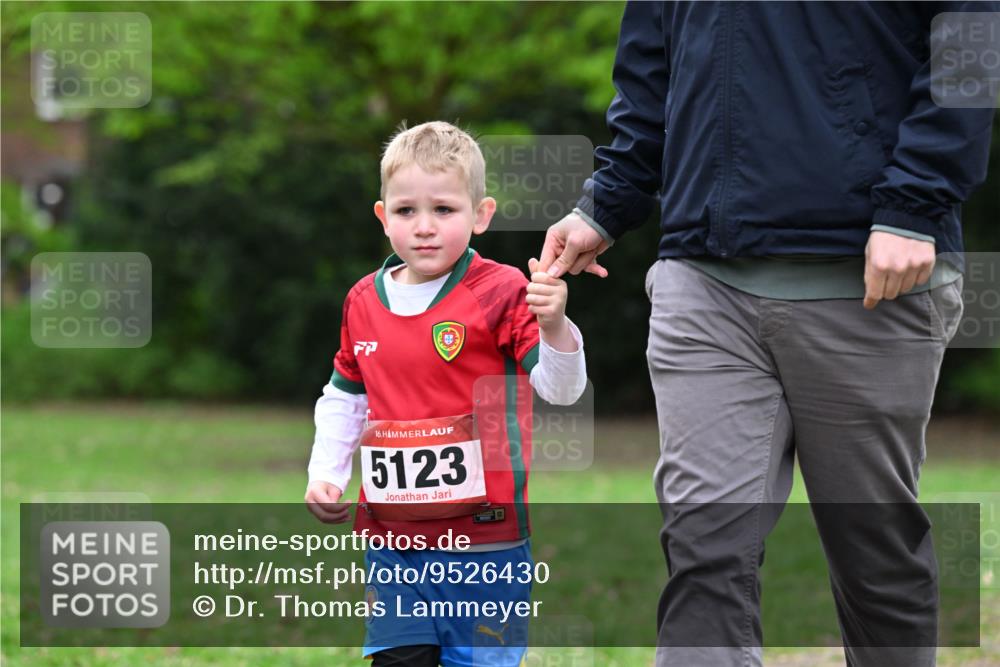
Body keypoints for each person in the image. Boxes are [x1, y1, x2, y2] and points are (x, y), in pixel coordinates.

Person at [538, 3, 995, 667]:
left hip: (867, 272)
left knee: (874, 552)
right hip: (703, 276)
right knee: (705, 544)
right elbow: (651, 66)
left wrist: (915, 202)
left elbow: (973, 40)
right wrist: (608, 199)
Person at [304, 121, 588, 667]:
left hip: (487, 543)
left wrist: (555, 328)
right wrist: (327, 473)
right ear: (384, 218)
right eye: (407, 211)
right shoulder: (362, 300)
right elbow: (345, 395)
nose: (425, 227)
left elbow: (562, 390)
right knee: (398, 659)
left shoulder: (503, 291)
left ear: (480, 215)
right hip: (395, 542)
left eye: (445, 209)